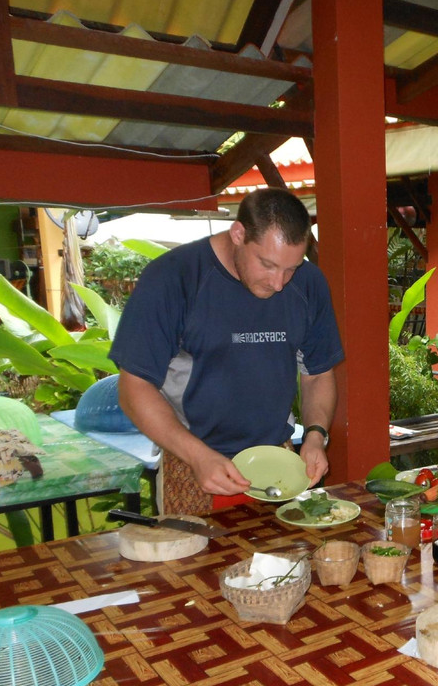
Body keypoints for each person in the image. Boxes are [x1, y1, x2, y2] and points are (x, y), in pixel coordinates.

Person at [109, 188, 344, 514]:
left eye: (290, 268)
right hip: (194, 462)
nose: (279, 283)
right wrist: (197, 456)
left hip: (279, 462)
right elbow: (133, 388)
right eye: (268, 265)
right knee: (198, 564)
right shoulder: (173, 279)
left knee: (284, 563)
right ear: (238, 233)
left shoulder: (308, 283)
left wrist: (317, 436)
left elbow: (318, 374)